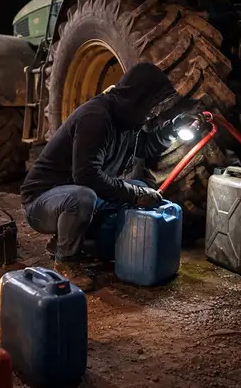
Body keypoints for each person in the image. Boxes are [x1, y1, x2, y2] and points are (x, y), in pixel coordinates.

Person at [20, 62, 197, 291]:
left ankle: (68, 242)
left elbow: (145, 146)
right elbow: (86, 176)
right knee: (84, 198)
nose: (153, 111)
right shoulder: (96, 117)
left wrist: (174, 128)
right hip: (40, 204)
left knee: (136, 185)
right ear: (138, 97)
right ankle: (66, 262)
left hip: (71, 195)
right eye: (152, 104)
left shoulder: (127, 121)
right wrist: (133, 194)